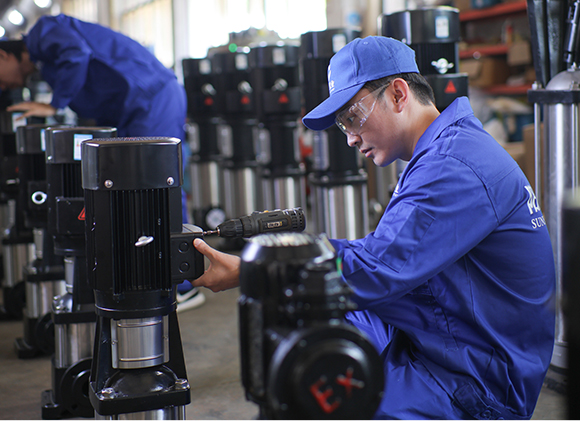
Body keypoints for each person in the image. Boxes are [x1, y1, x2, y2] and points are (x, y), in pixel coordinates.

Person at [191, 36, 556, 419]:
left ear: (398, 94)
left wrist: (252, 269)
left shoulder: (454, 165)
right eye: (342, 124)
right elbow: (383, 252)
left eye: (353, 117)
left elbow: (379, 267)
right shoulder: (443, 150)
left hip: (474, 383)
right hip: (447, 333)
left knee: (318, 394)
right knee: (312, 331)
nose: (350, 137)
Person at [0, 13, 204, 312]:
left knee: (160, 187)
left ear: (3, 54)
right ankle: (148, 277)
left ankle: (182, 286)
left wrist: (54, 105)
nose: (2, 85)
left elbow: (76, 53)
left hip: (151, 99)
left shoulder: (44, 31)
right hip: (128, 111)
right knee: (131, 192)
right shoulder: (45, 65)